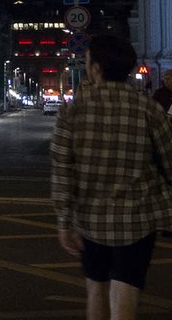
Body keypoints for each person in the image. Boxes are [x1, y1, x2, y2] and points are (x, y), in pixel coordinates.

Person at [52, 34, 172, 320]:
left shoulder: (72, 111)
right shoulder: (150, 109)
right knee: (126, 289)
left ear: (95, 68)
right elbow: (169, 161)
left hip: (90, 220)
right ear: (128, 69)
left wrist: (64, 221)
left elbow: (62, 172)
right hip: (138, 219)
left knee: (96, 288)